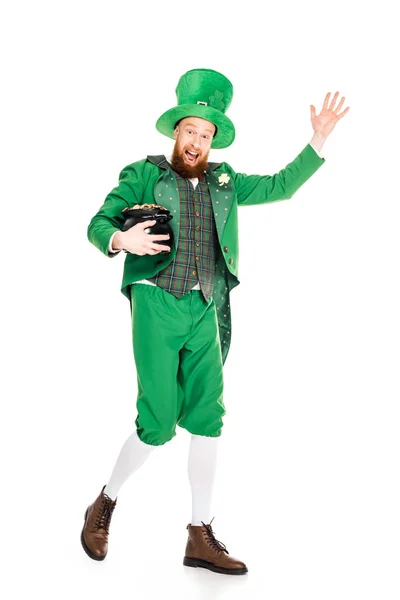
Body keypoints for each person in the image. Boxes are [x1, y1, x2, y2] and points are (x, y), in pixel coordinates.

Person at [81, 68, 349, 575]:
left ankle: (199, 535)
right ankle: (105, 503)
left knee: (208, 417)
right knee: (157, 423)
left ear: (212, 139)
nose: (197, 141)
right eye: (191, 130)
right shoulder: (143, 172)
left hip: (206, 306)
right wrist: (122, 240)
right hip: (157, 302)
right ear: (176, 130)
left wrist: (317, 140)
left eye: (206, 134)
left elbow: (280, 185)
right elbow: (99, 222)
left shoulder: (225, 181)